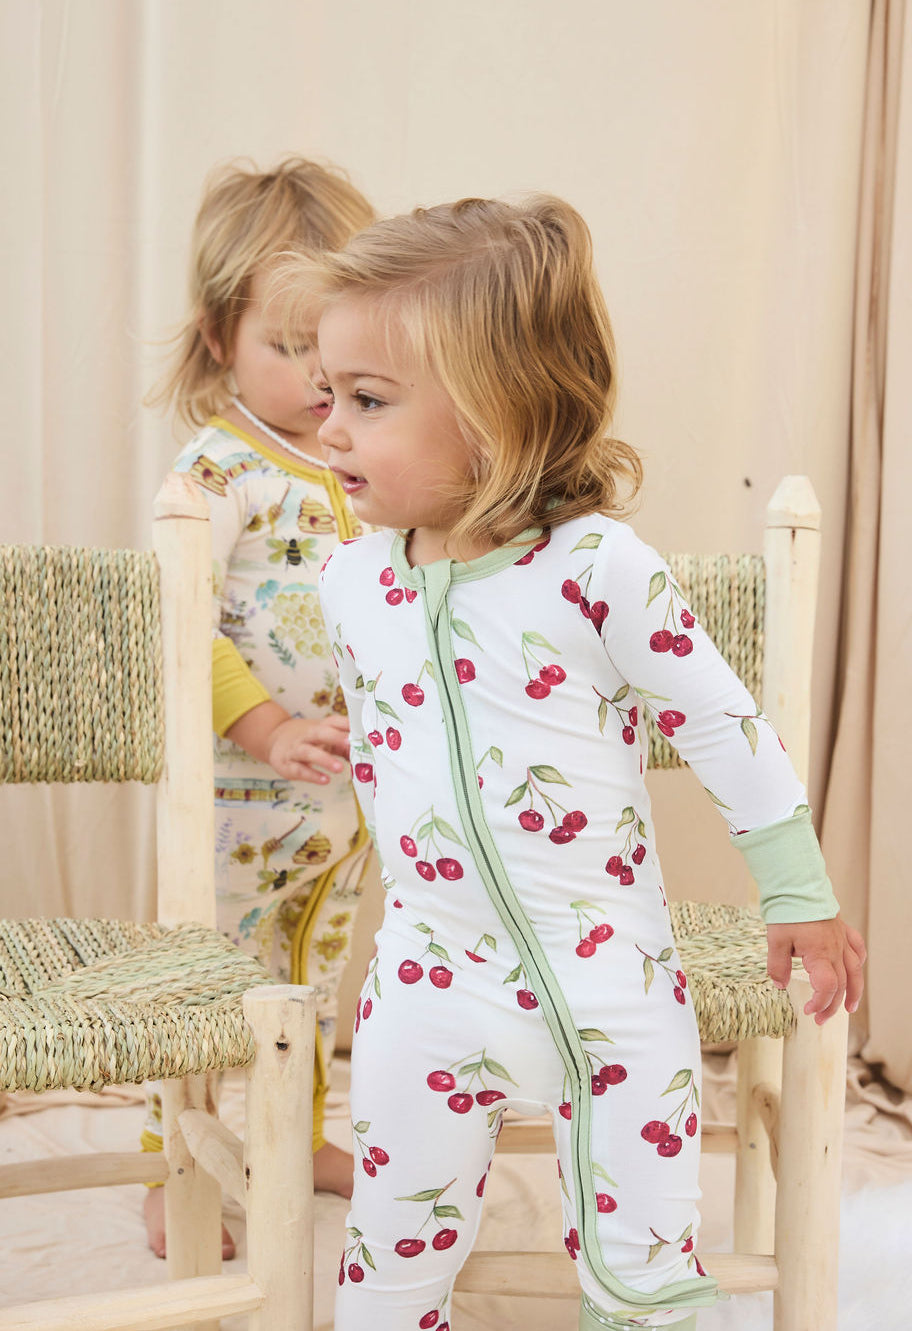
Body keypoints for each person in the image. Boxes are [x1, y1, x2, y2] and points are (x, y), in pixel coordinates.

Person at [296, 195, 865, 1330]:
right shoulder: (351, 581)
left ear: (498, 414)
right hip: (426, 976)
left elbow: (719, 721)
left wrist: (796, 886)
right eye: (327, 396)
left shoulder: (594, 567)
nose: (330, 431)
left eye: (366, 401)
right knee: (386, 1261)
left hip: (608, 983)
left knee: (644, 1266)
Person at [142, 157, 377, 1259]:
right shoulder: (216, 469)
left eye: (334, 344)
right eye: (289, 347)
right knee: (207, 986)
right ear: (216, 338)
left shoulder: (360, 460)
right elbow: (184, 626)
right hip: (238, 800)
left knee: (314, 980)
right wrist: (267, 729)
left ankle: (308, 1134)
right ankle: (169, 1165)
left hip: (338, 802)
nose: (319, 377)